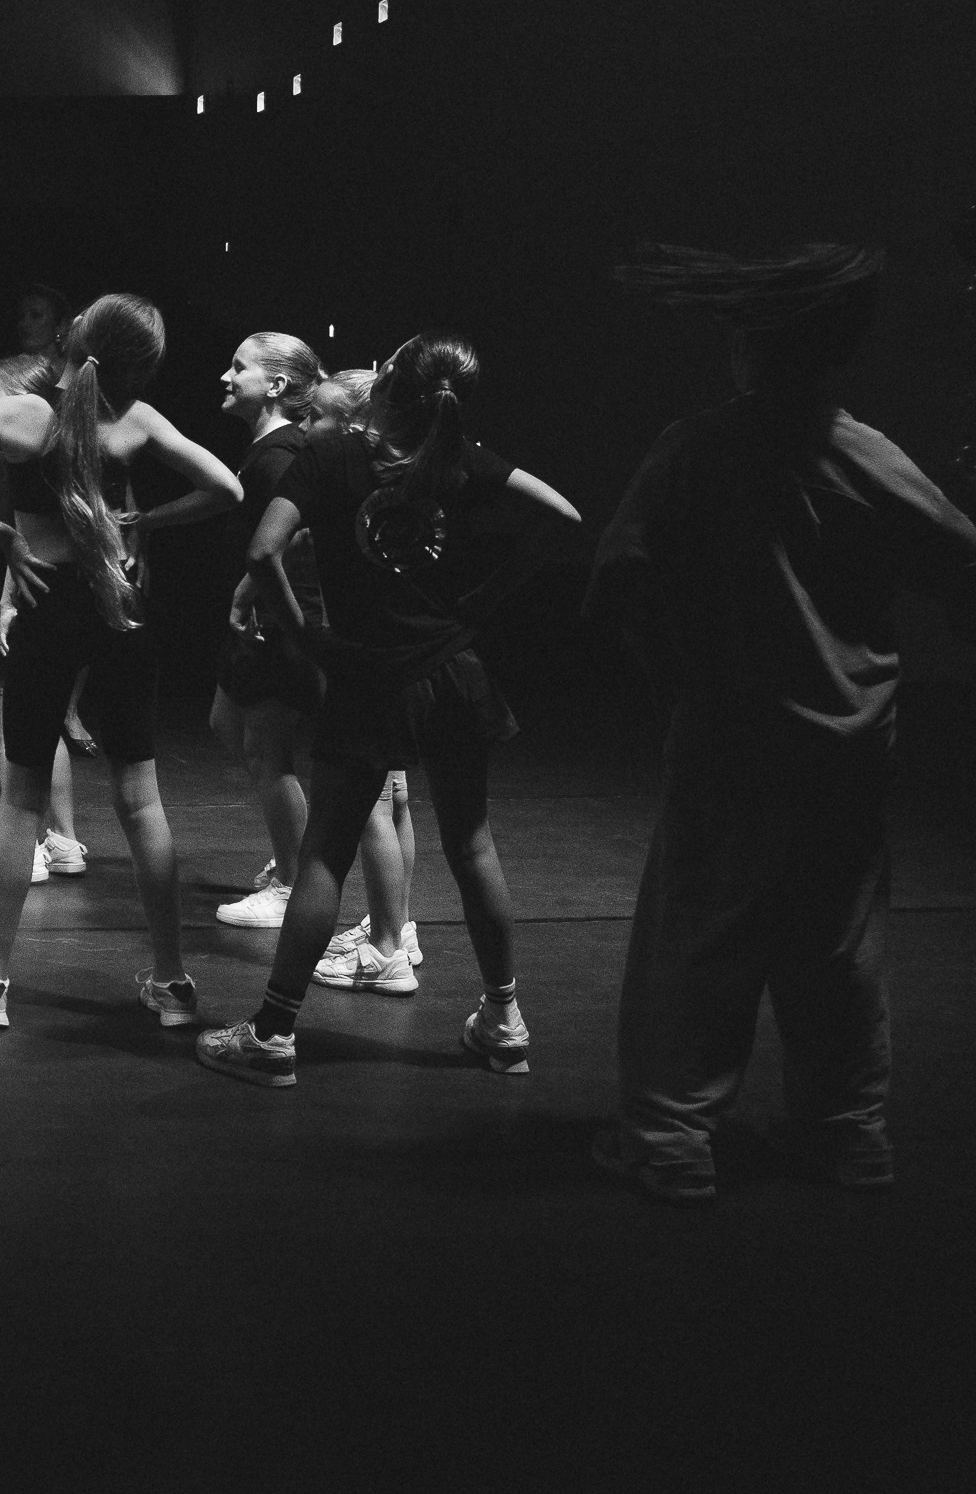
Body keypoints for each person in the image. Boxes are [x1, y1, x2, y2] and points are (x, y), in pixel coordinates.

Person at [589, 242, 976, 1203]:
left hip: (730, 739)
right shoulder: (868, 454)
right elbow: (960, 565)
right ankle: (847, 1137)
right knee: (838, 946)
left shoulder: (698, 448)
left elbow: (616, 585)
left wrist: (673, 671)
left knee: (700, 935)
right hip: (848, 744)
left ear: (749, 348)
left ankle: (672, 1142)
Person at [197, 334, 578, 1088]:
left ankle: (272, 1033)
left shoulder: (333, 456)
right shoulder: (460, 455)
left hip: (371, 677)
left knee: (326, 856)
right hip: (453, 672)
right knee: (473, 846)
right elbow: (563, 516)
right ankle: (504, 1023)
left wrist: (308, 639)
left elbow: (263, 549)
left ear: (389, 385)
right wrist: (482, 605)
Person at [0, 293, 242, 1029]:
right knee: (140, 800)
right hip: (117, 608)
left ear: (67, 340)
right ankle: (173, 982)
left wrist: (3, 538)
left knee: (21, 800)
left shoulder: (15, 416)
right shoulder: (136, 422)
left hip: (46, 608)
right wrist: (148, 521)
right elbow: (228, 487)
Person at [299, 372, 424, 989]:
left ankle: (385, 947)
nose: (305, 429)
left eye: (314, 417)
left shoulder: (349, 477)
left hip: (363, 656)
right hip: (400, 655)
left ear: (351, 424)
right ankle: (397, 925)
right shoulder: (401, 474)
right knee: (395, 791)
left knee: (371, 798)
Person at [210, 332, 327, 929]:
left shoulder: (282, 453)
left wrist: (263, 599)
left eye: (239, 367)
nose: (226, 377)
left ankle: (292, 880)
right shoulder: (267, 448)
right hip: (262, 614)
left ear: (275, 386)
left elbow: (299, 538)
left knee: (266, 747)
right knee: (226, 723)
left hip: (279, 618)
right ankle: (292, 856)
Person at [0, 352, 89, 885]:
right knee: (45, 725)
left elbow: (16, 533)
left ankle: (31, 845)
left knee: (11, 729)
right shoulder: (29, 458)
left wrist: (6, 602)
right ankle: (62, 841)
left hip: (14, 597)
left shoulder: (25, 462)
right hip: (15, 591)